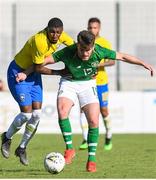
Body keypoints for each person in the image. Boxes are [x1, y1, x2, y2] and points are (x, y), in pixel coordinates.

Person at [14, 30, 154, 172]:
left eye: (88, 50)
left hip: (88, 85)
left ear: (93, 46)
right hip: (69, 82)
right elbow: (42, 62)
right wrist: (25, 73)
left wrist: (143, 63)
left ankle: (91, 159)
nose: (86, 53)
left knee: (93, 120)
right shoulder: (68, 51)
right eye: (82, 49)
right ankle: (69, 149)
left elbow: (122, 57)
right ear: (78, 44)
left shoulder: (99, 51)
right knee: (62, 111)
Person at [1, 17, 74, 166]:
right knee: (26, 113)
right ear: (47, 30)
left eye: (58, 33)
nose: (55, 35)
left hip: (32, 74)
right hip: (18, 73)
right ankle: (6, 138)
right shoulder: (39, 41)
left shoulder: (62, 36)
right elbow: (39, 67)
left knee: (37, 114)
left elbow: (75, 47)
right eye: (52, 32)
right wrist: (60, 72)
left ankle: (22, 148)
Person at [79, 17, 115, 150]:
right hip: (86, 82)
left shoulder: (104, 43)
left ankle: (108, 136)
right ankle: (84, 139)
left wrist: (99, 63)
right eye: (90, 28)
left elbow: (112, 61)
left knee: (104, 110)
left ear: (99, 28)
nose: (92, 30)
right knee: (83, 110)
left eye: (94, 28)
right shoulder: (84, 41)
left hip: (101, 83)